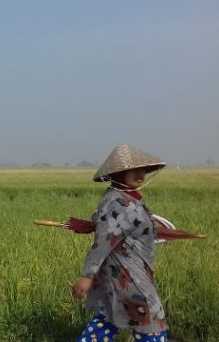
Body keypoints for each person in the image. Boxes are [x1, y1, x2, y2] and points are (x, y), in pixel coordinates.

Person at [72, 144, 169, 342]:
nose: (140, 174)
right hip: (127, 271)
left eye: (142, 169)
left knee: (113, 311)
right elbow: (104, 241)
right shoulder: (119, 202)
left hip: (123, 270)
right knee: (149, 313)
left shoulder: (123, 197)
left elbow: (115, 225)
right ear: (118, 173)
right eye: (132, 170)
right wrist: (87, 275)